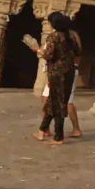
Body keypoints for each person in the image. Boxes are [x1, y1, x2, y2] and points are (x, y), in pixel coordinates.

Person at [35, 12, 79, 143]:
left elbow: (48, 55)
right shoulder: (71, 36)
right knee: (55, 101)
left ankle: (58, 136)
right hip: (69, 72)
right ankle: (41, 131)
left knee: (58, 103)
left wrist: (37, 49)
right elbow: (78, 52)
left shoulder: (54, 37)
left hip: (57, 73)